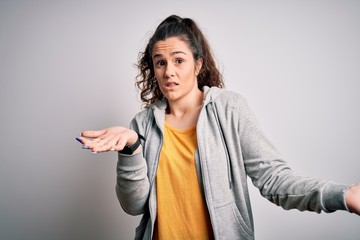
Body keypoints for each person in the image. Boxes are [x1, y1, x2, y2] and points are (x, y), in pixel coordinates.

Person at [76, 15, 360, 239]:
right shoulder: (142, 124)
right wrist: (131, 149)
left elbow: (274, 180)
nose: (169, 71)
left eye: (178, 60)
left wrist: (343, 195)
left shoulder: (229, 108)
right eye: (160, 62)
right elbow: (134, 206)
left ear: (198, 65)